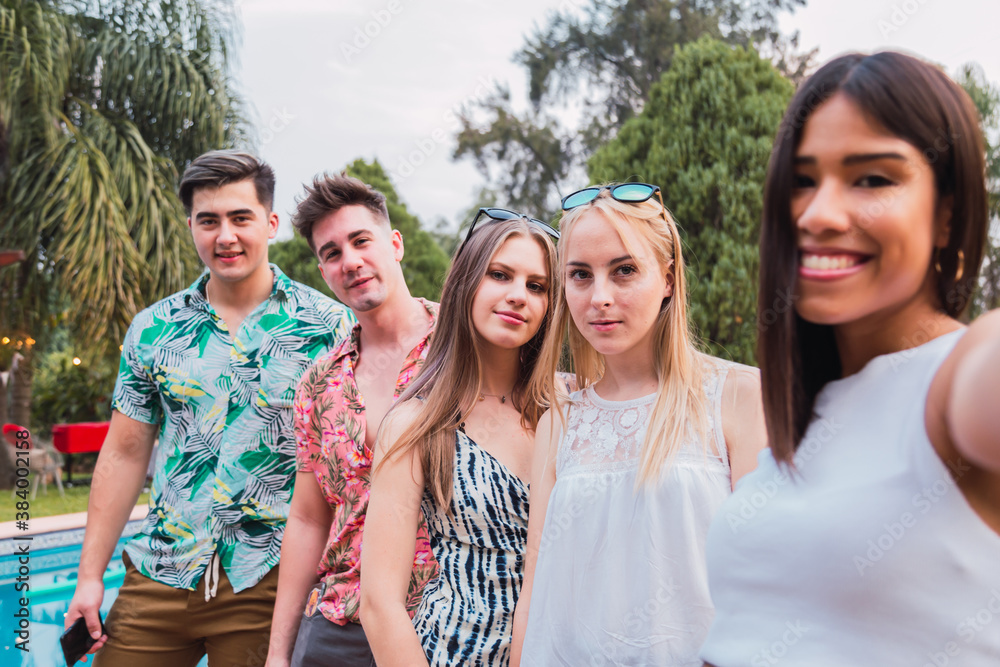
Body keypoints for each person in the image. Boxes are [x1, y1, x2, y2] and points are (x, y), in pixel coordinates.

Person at [700, 51, 1000, 667]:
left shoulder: (958, 378)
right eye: (803, 180)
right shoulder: (809, 416)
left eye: (873, 179)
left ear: (947, 214)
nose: (818, 214)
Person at [65, 150, 354, 667]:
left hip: (267, 582)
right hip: (161, 572)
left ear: (270, 223)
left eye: (240, 218)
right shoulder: (153, 330)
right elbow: (126, 454)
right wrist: (90, 578)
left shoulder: (329, 329)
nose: (225, 236)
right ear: (191, 226)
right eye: (209, 221)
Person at [512, 183, 768, 667]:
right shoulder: (560, 421)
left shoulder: (737, 395)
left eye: (624, 270)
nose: (599, 297)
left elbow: (768, 571)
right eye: (580, 275)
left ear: (668, 279)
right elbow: (536, 587)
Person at [360, 209, 560, 667]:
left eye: (537, 286)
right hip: (449, 652)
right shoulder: (416, 423)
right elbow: (380, 604)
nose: (517, 296)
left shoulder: (571, 410)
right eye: (500, 274)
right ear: (468, 281)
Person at [264, 173, 439, 667]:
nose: (351, 261)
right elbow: (307, 517)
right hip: (341, 623)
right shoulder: (317, 386)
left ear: (395, 244)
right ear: (324, 271)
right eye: (333, 252)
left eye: (361, 240)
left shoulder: (464, 348)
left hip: (445, 613)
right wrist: (279, 652)